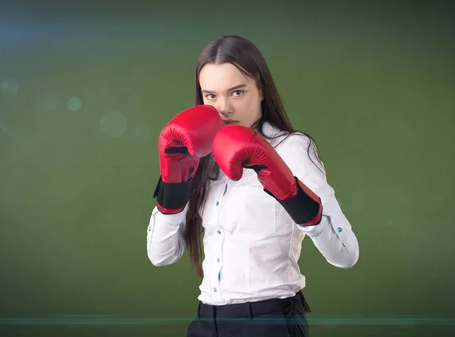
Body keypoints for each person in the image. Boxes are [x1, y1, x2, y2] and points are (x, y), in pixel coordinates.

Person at [147, 35, 360, 337]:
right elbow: (161, 255)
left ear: (261, 90)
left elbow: (345, 254)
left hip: (268, 320)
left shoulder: (292, 149)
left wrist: (286, 187)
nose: (223, 109)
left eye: (236, 92)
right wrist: (172, 182)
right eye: (211, 95)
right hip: (206, 321)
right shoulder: (197, 154)